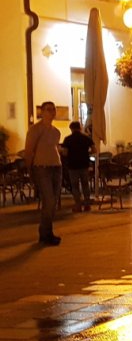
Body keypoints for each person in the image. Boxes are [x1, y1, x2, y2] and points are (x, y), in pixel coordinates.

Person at [23, 101, 63, 246]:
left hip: (56, 166)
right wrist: (30, 169)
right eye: (48, 109)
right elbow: (29, 150)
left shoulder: (56, 132)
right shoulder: (35, 130)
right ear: (42, 112)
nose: (52, 112)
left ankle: (47, 232)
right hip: (42, 167)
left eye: (53, 109)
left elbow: (54, 147)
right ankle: (45, 232)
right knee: (49, 200)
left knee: (53, 201)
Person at [61, 121, 94, 212]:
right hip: (84, 164)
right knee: (85, 185)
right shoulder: (86, 138)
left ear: (71, 129)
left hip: (73, 165)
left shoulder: (67, 139)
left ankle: (78, 205)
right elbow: (94, 150)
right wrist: (86, 153)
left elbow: (65, 153)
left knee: (75, 186)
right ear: (80, 128)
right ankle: (87, 205)